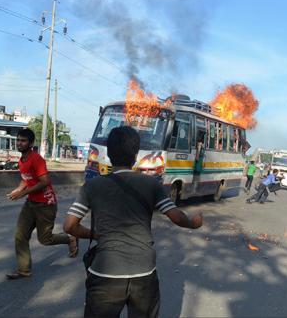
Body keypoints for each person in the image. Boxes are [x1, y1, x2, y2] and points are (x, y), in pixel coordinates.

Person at [64, 126, 203, 318]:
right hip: (143, 273)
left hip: (105, 273)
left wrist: (95, 234)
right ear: (136, 154)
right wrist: (194, 223)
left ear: (109, 153)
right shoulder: (151, 184)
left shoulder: (92, 186)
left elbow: (69, 226)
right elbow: (176, 216)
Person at [6, 128, 78, 280]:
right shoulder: (22, 160)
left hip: (46, 204)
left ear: (31, 143)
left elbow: (45, 181)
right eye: (18, 140)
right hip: (31, 203)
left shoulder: (36, 159)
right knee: (20, 235)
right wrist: (18, 189)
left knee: (45, 239)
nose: (19, 143)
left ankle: (70, 238)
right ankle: (24, 270)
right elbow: (26, 178)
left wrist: (23, 193)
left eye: (23, 140)